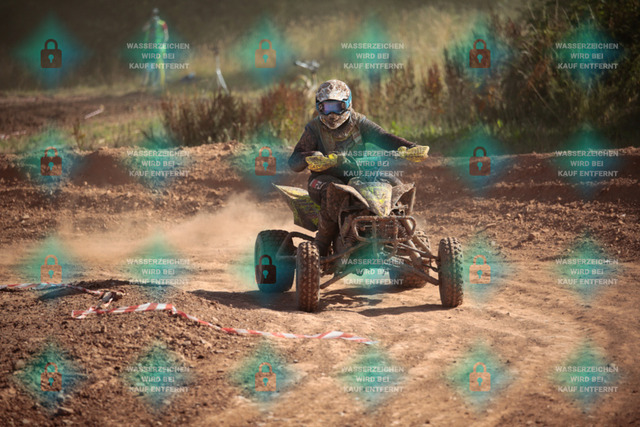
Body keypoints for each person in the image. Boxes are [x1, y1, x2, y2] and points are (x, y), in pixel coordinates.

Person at [288, 79, 426, 256]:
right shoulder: (314, 128)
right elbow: (294, 161)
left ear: (347, 104)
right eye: (327, 108)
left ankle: (402, 234)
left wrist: (411, 147)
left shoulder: (359, 122)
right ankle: (321, 246)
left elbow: (383, 137)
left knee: (395, 184)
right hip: (323, 179)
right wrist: (312, 157)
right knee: (333, 191)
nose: (332, 114)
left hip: (359, 177)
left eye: (336, 107)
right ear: (319, 107)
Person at [142, 8, 169, 90]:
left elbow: (166, 36)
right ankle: (150, 82)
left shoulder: (162, 23)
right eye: (153, 14)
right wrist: (150, 24)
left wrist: (162, 45)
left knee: (159, 66)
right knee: (149, 65)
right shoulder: (149, 23)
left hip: (158, 48)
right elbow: (143, 29)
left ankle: (160, 83)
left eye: (155, 14)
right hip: (149, 48)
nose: (154, 16)